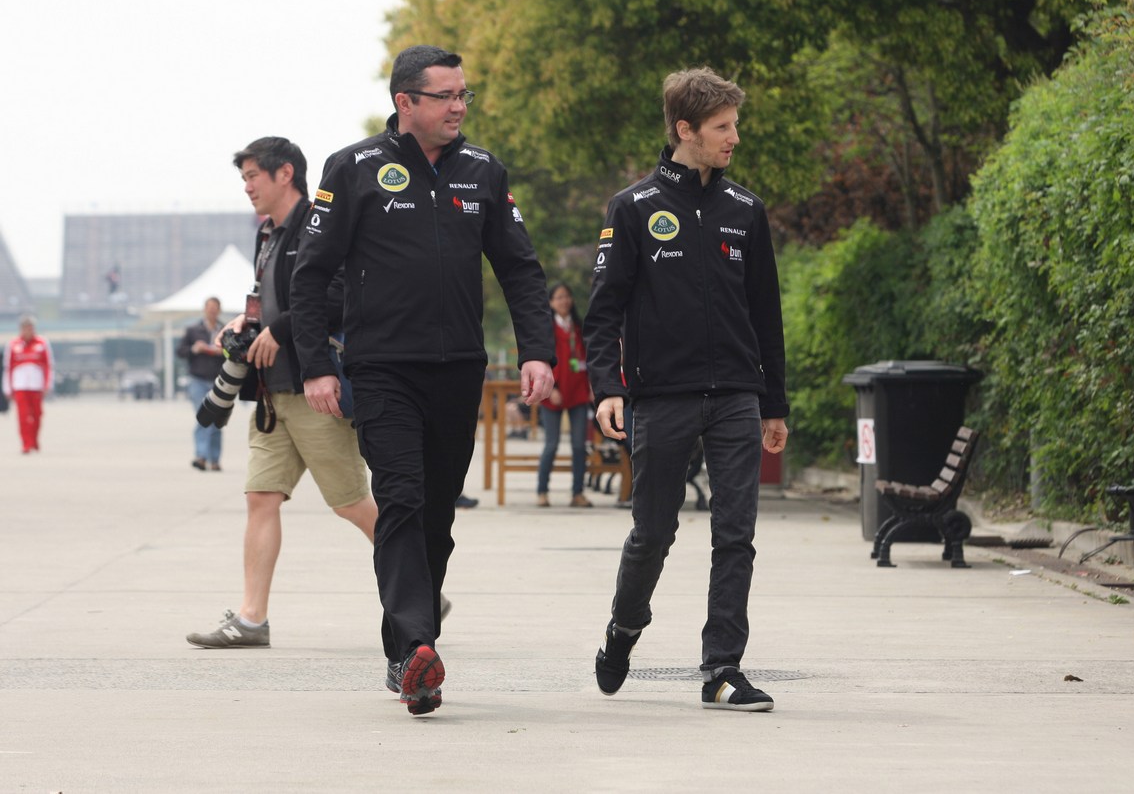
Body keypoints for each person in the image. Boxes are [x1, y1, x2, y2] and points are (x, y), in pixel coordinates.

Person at [291, 45, 555, 716]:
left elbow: (521, 270)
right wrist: (318, 363)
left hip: (459, 367)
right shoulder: (353, 170)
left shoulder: (484, 172)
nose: (459, 107)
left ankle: (404, 654)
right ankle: (417, 648)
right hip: (381, 368)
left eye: (463, 94)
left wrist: (537, 351)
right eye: (444, 96)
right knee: (402, 498)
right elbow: (311, 273)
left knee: (436, 514)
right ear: (405, 102)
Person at [583, 67, 789, 712]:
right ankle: (623, 630)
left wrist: (773, 402)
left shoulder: (746, 211)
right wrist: (606, 387)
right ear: (686, 130)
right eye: (723, 128)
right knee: (654, 532)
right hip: (660, 396)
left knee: (736, 533)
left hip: (734, 395)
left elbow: (766, 314)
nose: (734, 139)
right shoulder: (633, 207)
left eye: (735, 126)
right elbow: (603, 310)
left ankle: (722, 668)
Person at [186, 137, 379, 651]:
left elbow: (340, 295)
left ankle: (418, 587)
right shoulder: (267, 234)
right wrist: (248, 323)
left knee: (351, 504)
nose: (247, 186)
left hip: (314, 386)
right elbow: (268, 303)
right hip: (272, 394)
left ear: (284, 173)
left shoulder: (324, 221)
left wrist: (283, 328)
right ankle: (252, 619)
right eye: (244, 177)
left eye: (253, 176)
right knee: (260, 497)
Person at [536, 283, 593, 508]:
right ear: (550, 303)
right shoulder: (547, 329)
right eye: (559, 297)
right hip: (553, 394)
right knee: (551, 444)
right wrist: (552, 388)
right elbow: (544, 360)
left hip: (578, 391)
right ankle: (542, 491)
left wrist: (591, 386)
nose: (564, 301)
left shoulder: (578, 328)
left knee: (580, 445)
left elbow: (588, 359)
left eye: (567, 296)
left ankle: (577, 493)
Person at [177, 296, 225, 471]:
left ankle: (215, 459)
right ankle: (201, 456)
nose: (212, 311)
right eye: (209, 307)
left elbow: (236, 354)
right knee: (203, 417)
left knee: (216, 420)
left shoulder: (225, 330)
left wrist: (223, 351)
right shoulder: (193, 330)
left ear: (219, 310)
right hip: (197, 380)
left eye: (215, 308)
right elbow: (180, 351)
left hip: (218, 382)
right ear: (204, 309)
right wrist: (193, 349)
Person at [3, 315, 53, 454]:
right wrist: (7, 387)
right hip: (20, 386)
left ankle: (34, 440)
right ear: (21, 329)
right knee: (23, 416)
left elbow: (49, 366)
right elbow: (8, 367)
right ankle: (26, 443)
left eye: (30, 328)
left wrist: (48, 384)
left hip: (36, 385)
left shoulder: (42, 343)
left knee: (37, 415)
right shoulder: (13, 345)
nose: (28, 331)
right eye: (25, 328)